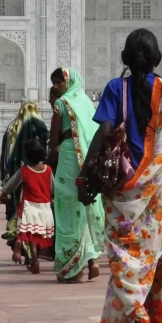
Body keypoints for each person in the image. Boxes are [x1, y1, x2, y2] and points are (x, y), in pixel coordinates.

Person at [78, 28, 162, 323]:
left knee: (124, 260)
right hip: (160, 194)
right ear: (158, 59)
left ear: (126, 58)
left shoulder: (116, 87)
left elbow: (104, 131)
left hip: (122, 189)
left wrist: (87, 174)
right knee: (149, 259)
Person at [48, 67, 104, 284]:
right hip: (88, 161)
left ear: (67, 83)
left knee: (68, 209)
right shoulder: (87, 103)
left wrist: (47, 160)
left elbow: (54, 142)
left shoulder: (61, 104)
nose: (55, 87)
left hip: (69, 157)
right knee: (85, 207)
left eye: (58, 83)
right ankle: (92, 261)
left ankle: (73, 269)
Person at [0, 138, 55, 273]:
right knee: (39, 234)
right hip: (45, 207)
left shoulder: (25, 170)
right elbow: (53, 188)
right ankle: (35, 259)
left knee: (31, 236)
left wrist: (4, 193)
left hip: (30, 206)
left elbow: (11, 184)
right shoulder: (48, 169)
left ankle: (34, 260)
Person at [2, 103, 49, 263]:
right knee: (36, 229)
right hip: (42, 197)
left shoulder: (13, 127)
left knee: (22, 222)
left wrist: (5, 187)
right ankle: (33, 254)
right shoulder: (41, 126)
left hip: (19, 174)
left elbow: (6, 157)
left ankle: (19, 247)